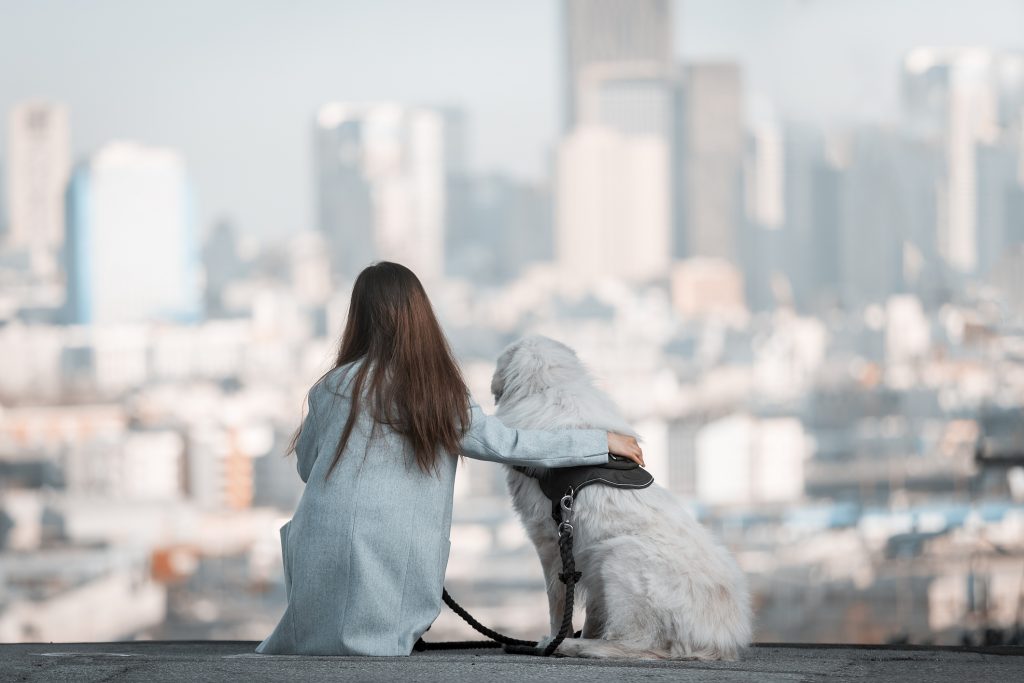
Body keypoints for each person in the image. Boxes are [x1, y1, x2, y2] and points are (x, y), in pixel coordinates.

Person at [255, 261, 644, 656]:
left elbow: (307, 468)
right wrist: (599, 442)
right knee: (376, 648)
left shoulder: (330, 388)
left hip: (319, 547)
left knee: (320, 646)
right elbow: (507, 444)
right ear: (419, 317)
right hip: (389, 556)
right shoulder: (433, 389)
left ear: (357, 318)